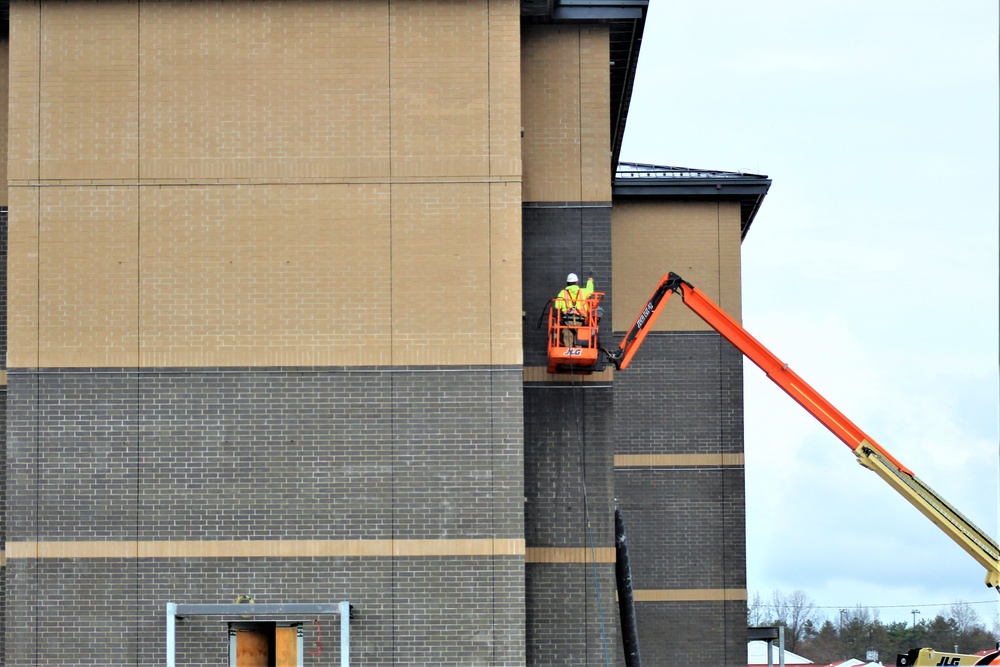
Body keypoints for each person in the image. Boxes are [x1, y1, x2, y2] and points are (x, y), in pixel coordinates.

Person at [554, 272, 595, 347]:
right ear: (576, 282)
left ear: (567, 283)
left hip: (567, 320)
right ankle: (578, 349)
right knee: (579, 335)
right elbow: (590, 290)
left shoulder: (562, 293)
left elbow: (557, 306)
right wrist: (590, 281)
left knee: (567, 334)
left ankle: (569, 350)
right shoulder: (583, 291)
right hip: (580, 320)